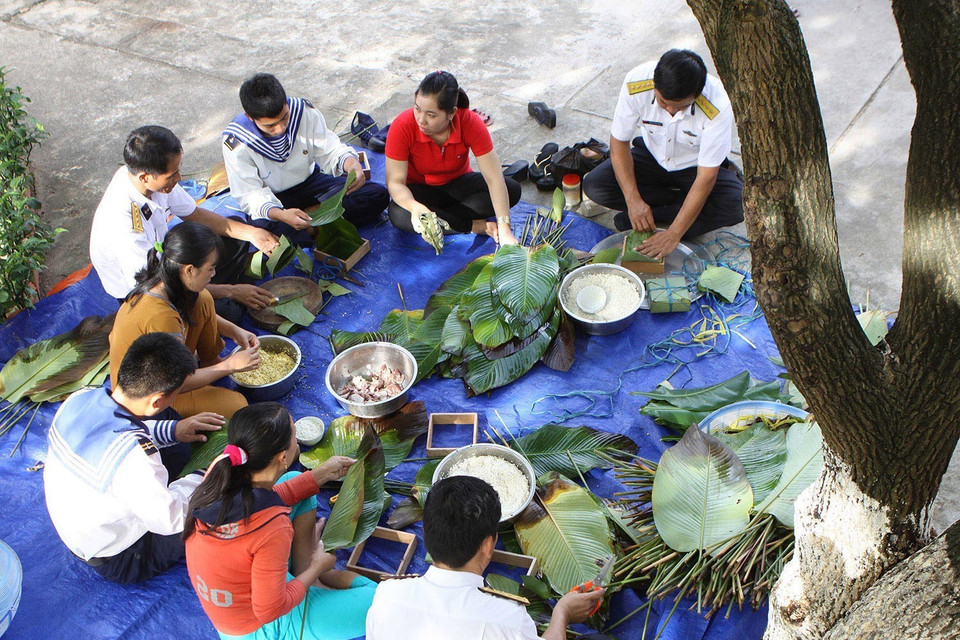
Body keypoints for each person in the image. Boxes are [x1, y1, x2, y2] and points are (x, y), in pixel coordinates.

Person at [184, 402, 375, 640]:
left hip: (246, 587)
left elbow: (260, 503)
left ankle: (306, 578)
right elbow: (270, 610)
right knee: (374, 600)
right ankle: (312, 579)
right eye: (295, 435)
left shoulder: (222, 468)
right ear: (283, 456)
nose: (297, 441)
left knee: (298, 481)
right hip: (260, 627)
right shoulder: (273, 527)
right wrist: (318, 566)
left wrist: (321, 473)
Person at [44, 332, 224, 583]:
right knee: (210, 501)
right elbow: (170, 519)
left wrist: (174, 430)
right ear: (158, 400)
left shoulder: (80, 398)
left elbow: (117, 430)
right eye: (177, 392)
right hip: (119, 556)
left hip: (81, 529)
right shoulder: (135, 459)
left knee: (177, 446)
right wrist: (205, 476)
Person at [366, 475, 603, 640]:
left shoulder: (387, 595)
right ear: (488, 545)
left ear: (426, 531)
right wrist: (562, 613)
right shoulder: (507, 619)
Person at [90, 125, 278, 314]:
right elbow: (157, 284)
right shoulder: (124, 224)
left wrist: (254, 234)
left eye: (178, 171)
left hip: (169, 260)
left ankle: (210, 283)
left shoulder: (144, 178)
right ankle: (218, 287)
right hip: (147, 289)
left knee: (238, 237)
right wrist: (231, 291)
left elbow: (194, 214)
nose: (179, 179)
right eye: (171, 176)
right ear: (145, 177)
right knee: (231, 312)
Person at [582, 49, 744, 259]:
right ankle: (677, 207)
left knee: (737, 204)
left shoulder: (717, 105)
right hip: (652, 157)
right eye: (662, 102)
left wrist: (674, 234)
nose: (671, 110)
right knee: (595, 185)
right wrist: (633, 201)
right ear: (655, 86)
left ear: (697, 94)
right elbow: (619, 142)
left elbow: (706, 176)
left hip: (696, 168)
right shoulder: (636, 83)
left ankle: (660, 217)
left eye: (681, 107)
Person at [109, 221, 260, 421]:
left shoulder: (168, 282)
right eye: (211, 269)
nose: (214, 274)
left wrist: (235, 331)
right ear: (189, 270)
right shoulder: (161, 317)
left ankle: (210, 363)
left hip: (167, 371)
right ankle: (211, 372)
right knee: (237, 405)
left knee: (204, 297)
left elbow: (203, 310)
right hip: (151, 394)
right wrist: (229, 366)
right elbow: (174, 382)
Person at [222, 72, 389, 237]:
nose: (280, 129)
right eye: (270, 126)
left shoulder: (302, 111)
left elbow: (330, 148)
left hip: (310, 183)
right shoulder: (238, 141)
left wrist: (351, 163)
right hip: (274, 199)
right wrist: (280, 214)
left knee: (377, 195)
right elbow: (250, 194)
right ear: (250, 117)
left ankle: (310, 220)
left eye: (284, 118)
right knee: (268, 230)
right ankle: (318, 221)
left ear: (285, 102)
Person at [385, 70, 520, 245]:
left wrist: (505, 229)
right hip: (421, 191)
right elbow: (395, 182)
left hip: (458, 186)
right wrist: (416, 208)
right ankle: (473, 226)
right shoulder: (402, 125)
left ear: (451, 113)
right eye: (417, 109)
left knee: (511, 189)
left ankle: (443, 220)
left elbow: (494, 178)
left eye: (431, 115)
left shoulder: (470, 123)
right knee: (399, 213)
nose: (421, 120)